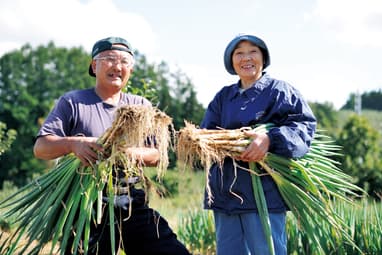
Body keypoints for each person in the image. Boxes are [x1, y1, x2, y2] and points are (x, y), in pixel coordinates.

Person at [33, 36, 191, 255]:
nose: (118, 66)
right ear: (94, 65)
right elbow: (41, 148)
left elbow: (156, 155)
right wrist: (73, 144)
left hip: (130, 202)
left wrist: (126, 153)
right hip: (85, 206)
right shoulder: (73, 102)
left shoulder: (140, 106)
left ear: (131, 71)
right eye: (109, 59)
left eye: (125, 62)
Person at [200, 34, 317, 255]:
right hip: (226, 196)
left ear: (263, 57)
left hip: (264, 194)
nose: (247, 58)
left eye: (253, 51)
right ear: (231, 62)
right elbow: (207, 134)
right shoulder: (223, 98)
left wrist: (269, 139)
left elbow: (303, 128)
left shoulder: (280, 91)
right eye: (239, 53)